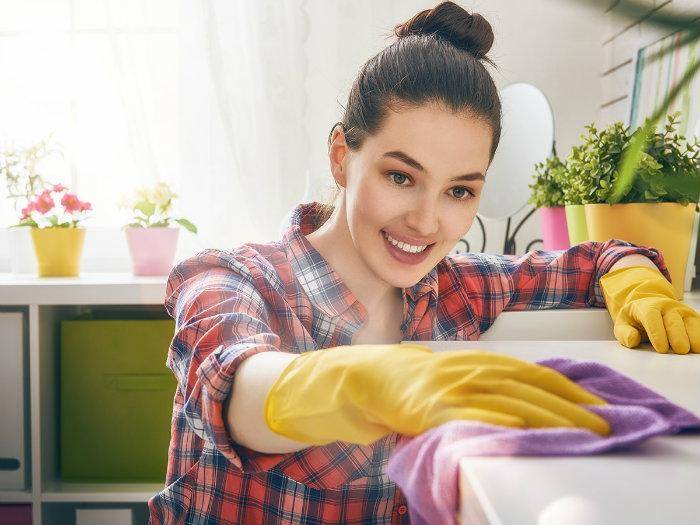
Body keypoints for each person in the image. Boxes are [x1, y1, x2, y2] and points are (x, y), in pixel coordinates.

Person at [149, 2, 700, 523]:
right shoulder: (234, 280)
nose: (427, 222)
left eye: (459, 191)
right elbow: (237, 388)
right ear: (342, 156)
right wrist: (360, 383)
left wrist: (635, 279)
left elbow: (598, 259)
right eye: (400, 176)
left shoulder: (457, 290)